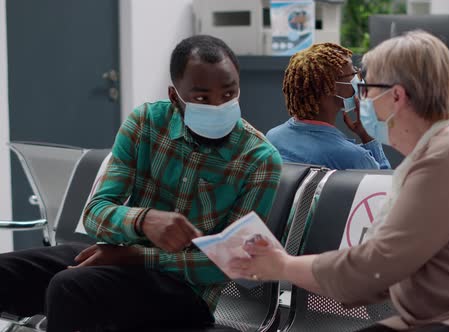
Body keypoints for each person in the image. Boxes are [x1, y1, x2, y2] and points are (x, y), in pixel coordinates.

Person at [229, 31, 449, 332]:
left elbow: (373, 268)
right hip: (442, 315)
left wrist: (283, 265)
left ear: (396, 96)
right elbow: (376, 273)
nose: (359, 99)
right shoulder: (433, 156)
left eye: (365, 88)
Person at [0, 35, 282, 332]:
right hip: (118, 258)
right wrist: (142, 221)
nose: (218, 105)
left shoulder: (259, 159)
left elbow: (229, 263)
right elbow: (95, 214)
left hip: (185, 292)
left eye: (229, 94)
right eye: (201, 98)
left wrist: (138, 256)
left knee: (70, 287)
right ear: (175, 96)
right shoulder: (145, 123)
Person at [266, 43, 391, 170]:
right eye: (353, 73)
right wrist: (368, 136)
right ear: (331, 87)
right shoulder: (354, 157)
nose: (359, 78)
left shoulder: (272, 137)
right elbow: (384, 184)